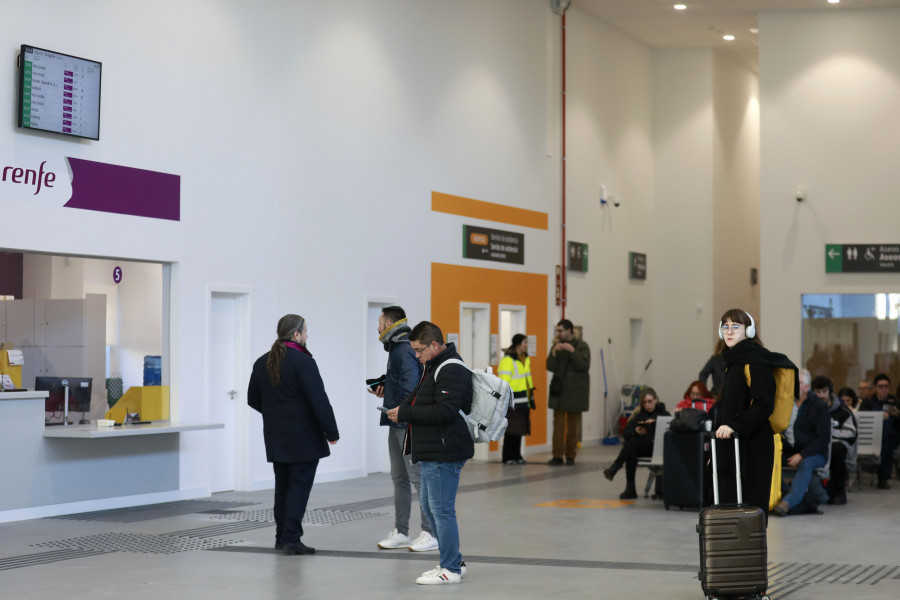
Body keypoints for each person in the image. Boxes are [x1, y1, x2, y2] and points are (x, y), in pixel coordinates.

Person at [386, 321, 472, 585]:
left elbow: (444, 411)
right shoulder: (431, 366)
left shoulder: (452, 369)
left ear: (435, 345)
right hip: (432, 451)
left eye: (420, 349)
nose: (416, 355)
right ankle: (454, 560)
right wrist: (399, 408)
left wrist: (406, 413)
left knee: (442, 510)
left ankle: (450, 569)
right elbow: (416, 398)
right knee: (428, 506)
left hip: (444, 452)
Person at [247, 314, 339, 555]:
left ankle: (281, 537)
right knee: (299, 487)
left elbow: (253, 399)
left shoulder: (261, 362)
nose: (307, 336)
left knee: (283, 487)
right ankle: (291, 539)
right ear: (296, 334)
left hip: (276, 437)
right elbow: (318, 399)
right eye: (305, 331)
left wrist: (275, 414)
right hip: (304, 437)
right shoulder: (303, 361)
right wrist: (331, 430)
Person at [713, 309, 796, 516]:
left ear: (748, 331)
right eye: (725, 326)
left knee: (751, 510)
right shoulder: (732, 363)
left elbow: (763, 405)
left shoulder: (756, 362)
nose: (729, 331)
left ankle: (749, 549)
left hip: (754, 446)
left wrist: (734, 425)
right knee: (732, 509)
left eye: (735, 327)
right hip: (736, 443)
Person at [367, 306, 436, 552]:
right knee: (399, 478)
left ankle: (430, 533)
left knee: (416, 479)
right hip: (395, 421)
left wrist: (403, 412)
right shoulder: (397, 348)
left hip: (405, 424)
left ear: (388, 323)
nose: (377, 328)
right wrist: (385, 388)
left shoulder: (403, 348)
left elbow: (411, 387)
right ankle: (402, 532)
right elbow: (403, 383)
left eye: (379, 322)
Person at [772, 381, 831, 517]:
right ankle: (782, 495)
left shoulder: (819, 406)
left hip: (815, 454)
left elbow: (823, 438)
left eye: (797, 383)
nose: (792, 385)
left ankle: (787, 503)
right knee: (769, 459)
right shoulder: (787, 404)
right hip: (791, 451)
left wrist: (802, 454)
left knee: (806, 463)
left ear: (807, 387)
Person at [603, 388, 670, 499]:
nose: (647, 404)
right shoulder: (639, 415)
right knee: (631, 447)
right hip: (642, 447)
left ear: (656, 400)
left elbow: (669, 425)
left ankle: (616, 468)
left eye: (650, 401)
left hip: (657, 448)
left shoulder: (663, 414)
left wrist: (655, 421)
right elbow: (625, 432)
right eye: (644, 402)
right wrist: (635, 431)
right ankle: (629, 488)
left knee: (632, 444)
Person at [546, 319, 591, 466]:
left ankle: (571, 455)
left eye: (561, 330)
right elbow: (550, 367)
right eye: (557, 331)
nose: (558, 333)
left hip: (575, 393)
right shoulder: (556, 346)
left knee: (573, 428)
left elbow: (583, 366)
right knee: (558, 427)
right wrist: (553, 353)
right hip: (559, 393)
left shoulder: (582, 346)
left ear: (569, 330)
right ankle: (557, 456)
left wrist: (572, 352)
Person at [813, 377, 857, 506]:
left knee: (836, 448)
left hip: (838, 447)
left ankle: (839, 492)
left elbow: (851, 433)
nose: (821, 395)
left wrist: (829, 434)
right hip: (817, 445)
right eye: (818, 392)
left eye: (824, 391)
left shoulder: (843, 411)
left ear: (830, 391)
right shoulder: (810, 410)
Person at [498, 334, 535, 465]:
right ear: (518, 344)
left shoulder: (525, 358)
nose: (527, 345)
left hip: (524, 399)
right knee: (511, 430)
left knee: (519, 429)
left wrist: (531, 397)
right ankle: (508, 456)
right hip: (513, 400)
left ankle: (517, 455)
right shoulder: (508, 360)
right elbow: (504, 381)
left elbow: (527, 378)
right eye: (525, 342)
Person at [858, 373, 900, 489]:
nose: (884, 389)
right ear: (875, 388)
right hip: (871, 435)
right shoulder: (868, 402)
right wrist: (878, 415)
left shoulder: (895, 402)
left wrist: (897, 415)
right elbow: (862, 418)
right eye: (881, 386)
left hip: (890, 436)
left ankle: (883, 478)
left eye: (886, 386)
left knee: (888, 440)